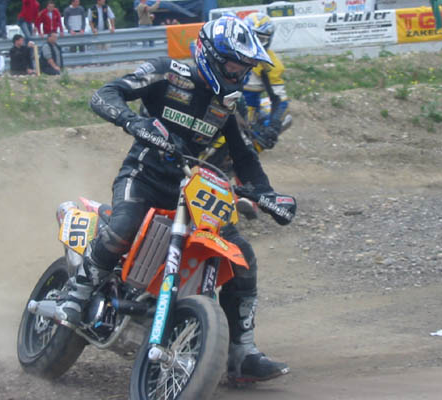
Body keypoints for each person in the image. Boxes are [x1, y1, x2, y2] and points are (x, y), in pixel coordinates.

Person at [58, 16, 297, 383]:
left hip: (193, 189)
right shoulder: (167, 73)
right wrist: (133, 122)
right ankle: (75, 295)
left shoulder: (227, 105)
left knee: (243, 257)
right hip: (144, 175)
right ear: (212, 56)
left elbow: (245, 156)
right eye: (235, 65)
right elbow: (105, 94)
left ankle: (241, 352)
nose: (240, 73)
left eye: (246, 67)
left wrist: (266, 194)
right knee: (124, 225)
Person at [243, 12, 290, 151]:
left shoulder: (271, 64)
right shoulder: (225, 48)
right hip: (217, 101)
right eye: (250, 37)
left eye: (260, 39)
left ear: (268, 40)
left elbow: (281, 100)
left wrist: (273, 127)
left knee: (256, 144)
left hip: (246, 114)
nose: (254, 43)